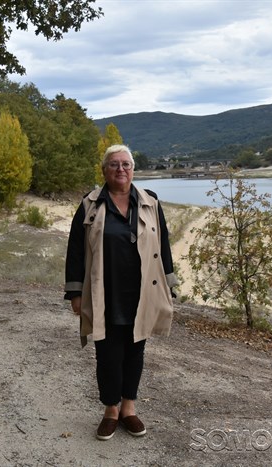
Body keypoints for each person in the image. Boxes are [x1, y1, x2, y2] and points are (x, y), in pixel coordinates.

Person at [64, 144, 178, 441]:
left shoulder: (150, 202)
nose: (120, 169)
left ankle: (129, 408)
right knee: (107, 353)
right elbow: (75, 250)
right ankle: (110, 411)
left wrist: (170, 285)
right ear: (104, 170)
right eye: (114, 164)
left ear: (133, 169)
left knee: (135, 351)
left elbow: (163, 245)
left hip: (142, 291)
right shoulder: (90, 204)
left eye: (126, 164)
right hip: (104, 291)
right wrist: (75, 292)